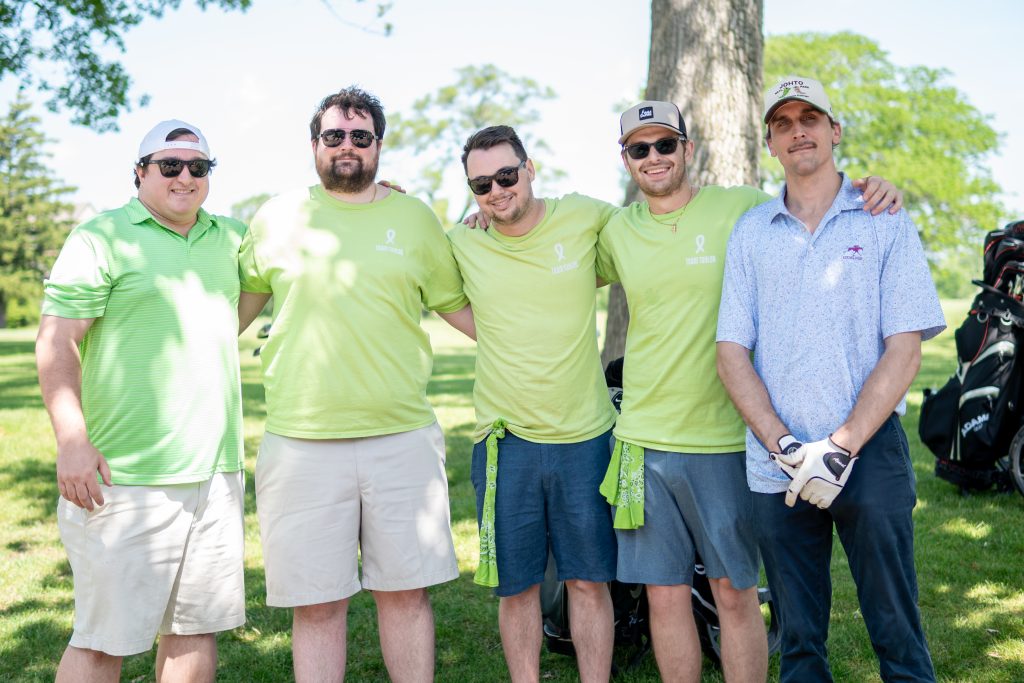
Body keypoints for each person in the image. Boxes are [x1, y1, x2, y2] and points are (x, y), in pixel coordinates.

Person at [596, 100, 903, 682]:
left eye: (666, 144)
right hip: (641, 442)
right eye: (640, 148)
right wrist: (484, 216)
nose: (654, 156)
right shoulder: (614, 230)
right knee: (663, 595)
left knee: (734, 592)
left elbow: (810, 199)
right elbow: (542, 248)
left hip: (725, 440)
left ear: (688, 149)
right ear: (626, 159)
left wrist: (871, 188)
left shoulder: (740, 208)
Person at [236, 87, 474, 683]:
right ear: (314, 144)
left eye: (360, 136)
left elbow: (464, 309)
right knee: (317, 606)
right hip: (301, 443)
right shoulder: (275, 218)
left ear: (379, 145)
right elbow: (226, 318)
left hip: (402, 439)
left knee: (406, 596)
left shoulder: (415, 218)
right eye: (335, 135)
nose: (347, 145)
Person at [716, 75, 941, 682]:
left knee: (897, 631)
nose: (798, 132)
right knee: (798, 642)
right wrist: (785, 445)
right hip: (779, 464)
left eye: (809, 119)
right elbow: (731, 352)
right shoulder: (751, 231)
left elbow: (904, 348)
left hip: (868, 452)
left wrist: (840, 448)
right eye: (783, 124)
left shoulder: (883, 218)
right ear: (770, 143)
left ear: (834, 130)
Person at [36, 120, 247, 683]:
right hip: (124, 478)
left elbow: (306, 243)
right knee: (103, 643)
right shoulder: (100, 238)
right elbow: (57, 341)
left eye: (198, 167)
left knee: (194, 633)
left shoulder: (231, 238)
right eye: (169, 165)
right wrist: (72, 439)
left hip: (216, 475)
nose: (184, 177)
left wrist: (374, 196)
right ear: (140, 172)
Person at [450, 125, 618, 682]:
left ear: (530, 168)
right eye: (481, 184)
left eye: (506, 176)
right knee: (516, 586)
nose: (496, 191)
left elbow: (653, 229)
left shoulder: (585, 216)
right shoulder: (464, 242)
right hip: (506, 443)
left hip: (586, 437)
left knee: (589, 580)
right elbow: (428, 282)